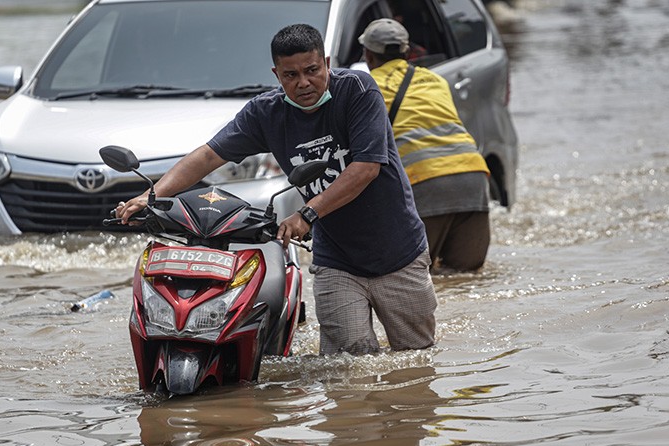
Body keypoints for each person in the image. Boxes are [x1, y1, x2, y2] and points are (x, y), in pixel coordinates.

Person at [117, 24, 438, 356]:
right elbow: (210, 154)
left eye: (312, 70)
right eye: (291, 75)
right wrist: (152, 196)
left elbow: (367, 168)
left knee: (415, 358)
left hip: (398, 252)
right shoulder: (266, 113)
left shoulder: (357, 90)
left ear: (326, 63)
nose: (303, 83)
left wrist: (307, 213)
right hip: (337, 260)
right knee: (347, 366)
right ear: (276, 74)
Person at [359, 18, 492, 273]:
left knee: (412, 277)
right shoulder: (436, 80)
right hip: (473, 177)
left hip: (424, 182)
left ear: (368, 55)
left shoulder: (366, 87)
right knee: (464, 278)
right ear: (407, 52)